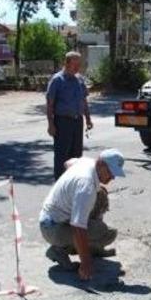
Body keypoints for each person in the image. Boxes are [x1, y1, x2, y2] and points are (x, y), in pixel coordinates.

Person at [39, 149, 126, 281]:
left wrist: (70, 187)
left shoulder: (86, 162)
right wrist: (85, 263)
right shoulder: (86, 186)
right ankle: (58, 249)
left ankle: (87, 248)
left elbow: (67, 163)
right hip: (52, 227)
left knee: (101, 196)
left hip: (52, 219)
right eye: (111, 172)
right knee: (103, 233)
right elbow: (78, 228)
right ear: (101, 164)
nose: (113, 177)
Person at [46, 51, 93, 180]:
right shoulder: (57, 80)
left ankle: (74, 182)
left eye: (79, 65)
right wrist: (51, 124)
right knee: (62, 155)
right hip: (62, 122)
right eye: (75, 65)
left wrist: (88, 119)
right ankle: (60, 185)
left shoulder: (79, 79)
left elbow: (83, 101)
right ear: (66, 63)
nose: (78, 68)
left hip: (77, 122)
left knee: (77, 155)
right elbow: (50, 104)